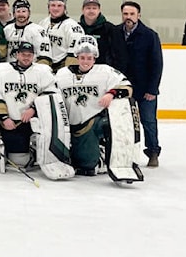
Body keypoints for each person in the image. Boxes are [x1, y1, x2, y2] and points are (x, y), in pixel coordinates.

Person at [54, 36, 133, 176]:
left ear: (94, 58)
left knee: (88, 166)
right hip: (71, 124)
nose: (86, 62)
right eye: (82, 57)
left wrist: (111, 93)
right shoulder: (62, 74)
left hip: (95, 120)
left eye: (89, 58)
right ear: (77, 57)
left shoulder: (105, 71)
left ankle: (104, 152)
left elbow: (127, 87)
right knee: (80, 164)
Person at [0, 41, 58, 168]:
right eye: (23, 54)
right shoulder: (2, 70)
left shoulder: (42, 71)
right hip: (12, 122)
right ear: (17, 55)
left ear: (34, 56)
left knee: (48, 150)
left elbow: (52, 91)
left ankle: (37, 146)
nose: (26, 57)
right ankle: (28, 151)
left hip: (35, 119)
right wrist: (4, 118)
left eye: (29, 55)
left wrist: (33, 109)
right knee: (20, 161)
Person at [115, 1, 163, 167]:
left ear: (139, 15)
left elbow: (157, 64)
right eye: (125, 14)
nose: (128, 17)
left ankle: (153, 152)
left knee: (148, 121)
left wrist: (152, 89)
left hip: (145, 90)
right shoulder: (116, 33)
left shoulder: (150, 35)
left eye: (132, 14)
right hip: (123, 89)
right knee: (124, 123)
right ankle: (126, 154)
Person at [39, 0, 84, 71]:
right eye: (53, 5)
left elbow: (74, 55)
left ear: (65, 8)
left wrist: (67, 73)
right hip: (45, 62)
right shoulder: (43, 23)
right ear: (48, 7)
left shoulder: (72, 26)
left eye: (59, 6)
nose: (56, 8)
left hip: (63, 64)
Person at [78, 0, 127, 69]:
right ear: (82, 10)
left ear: (99, 10)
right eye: (88, 8)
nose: (91, 11)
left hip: (103, 72)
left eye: (94, 8)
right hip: (82, 71)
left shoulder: (110, 29)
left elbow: (120, 55)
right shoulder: (77, 28)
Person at [3, 0, 52, 67]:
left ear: (29, 13)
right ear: (14, 14)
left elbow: (44, 57)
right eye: (18, 11)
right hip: (11, 70)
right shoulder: (7, 29)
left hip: (30, 70)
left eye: (24, 11)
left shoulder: (38, 30)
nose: (21, 14)